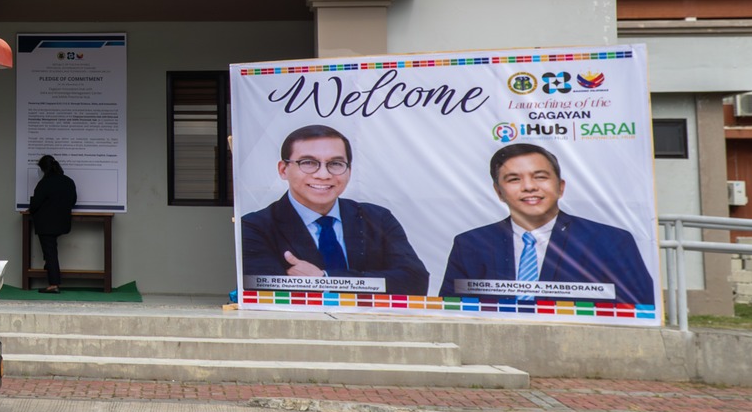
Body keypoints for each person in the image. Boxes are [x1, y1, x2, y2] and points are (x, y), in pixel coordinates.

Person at [439, 143, 654, 306]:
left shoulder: (611, 241)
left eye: (540, 177)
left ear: (560, 187)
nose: (529, 187)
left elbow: (638, 308)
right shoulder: (470, 244)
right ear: (499, 192)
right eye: (514, 179)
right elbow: (452, 309)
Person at [239, 124, 428, 294]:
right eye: (308, 163)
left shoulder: (377, 218)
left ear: (349, 171)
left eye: (335, 164)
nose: (323, 175)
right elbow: (262, 289)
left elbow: (415, 281)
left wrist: (325, 280)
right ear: (283, 170)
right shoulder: (254, 227)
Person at [27, 154, 78, 292]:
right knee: (50, 252)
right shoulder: (68, 181)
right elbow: (73, 201)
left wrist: (32, 209)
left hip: (45, 224)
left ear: (44, 169)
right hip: (63, 222)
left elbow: (35, 204)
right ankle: (49, 267)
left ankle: (54, 284)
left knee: (50, 253)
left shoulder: (44, 183)